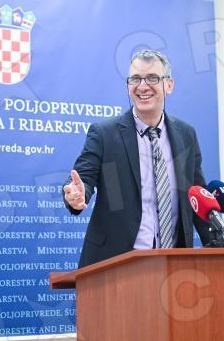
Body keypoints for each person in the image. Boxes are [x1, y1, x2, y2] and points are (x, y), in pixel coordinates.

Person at [63, 49, 211, 267]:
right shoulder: (105, 134)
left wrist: (221, 248)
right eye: (135, 79)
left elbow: (197, 197)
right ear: (128, 86)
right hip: (115, 266)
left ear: (169, 85)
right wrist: (77, 194)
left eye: (152, 78)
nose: (142, 86)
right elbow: (83, 178)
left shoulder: (186, 135)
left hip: (174, 266)